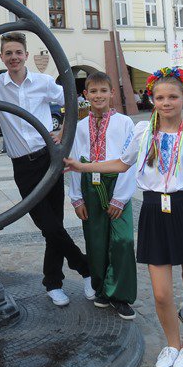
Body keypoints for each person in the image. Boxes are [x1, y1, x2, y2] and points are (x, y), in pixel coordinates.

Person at [65, 67, 183, 367]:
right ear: (152, 99)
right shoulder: (142, 132)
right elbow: (122, 163)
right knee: (162, 292)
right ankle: (172, 343)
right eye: (160, 97)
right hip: (153, 211)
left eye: (173, 97)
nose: (166, 103)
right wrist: (82, 168)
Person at [0, 32, 93, 307]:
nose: (13, 57)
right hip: (23, 167)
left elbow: (79, 104)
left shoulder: (43, 82)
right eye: (8, 53)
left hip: (49, 159)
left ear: (26, 55)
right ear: (2, 57)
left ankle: (53, 283)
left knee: (55, 226)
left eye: (18, 52)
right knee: (48, 225)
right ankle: (86, 268)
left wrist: (62, 131)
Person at [68, 72, 137, 320]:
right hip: (89, 186)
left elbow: (130, 162)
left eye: (103, 91)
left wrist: (121, 197)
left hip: (117, 183)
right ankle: (102, 290)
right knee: (96, 241)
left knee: (122, 241)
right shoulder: (79, 126)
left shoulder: (125, 123)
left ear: (112, 93)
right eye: (93, 91)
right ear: (85, 95)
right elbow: (76, 162)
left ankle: (121, 295)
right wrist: (76, 198)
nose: (98, 96)